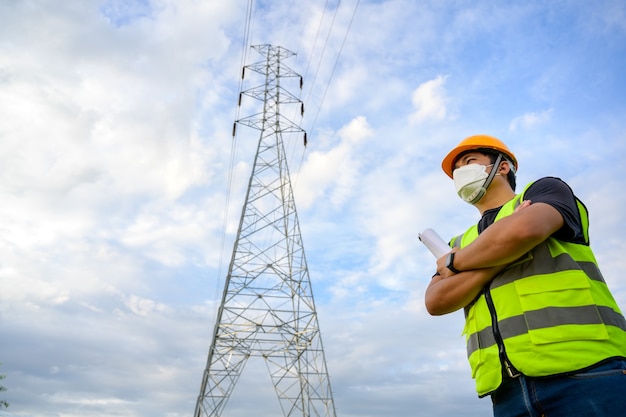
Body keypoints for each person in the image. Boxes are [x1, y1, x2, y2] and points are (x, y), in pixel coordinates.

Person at [424, 134, 626, 417]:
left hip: (588, 372)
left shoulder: (544, 190)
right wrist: (504, 253)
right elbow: (436, 300)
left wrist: (457, 263)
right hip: (507, 391)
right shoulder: (459, 241)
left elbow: (524, 231)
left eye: (469, 162)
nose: (460, 173)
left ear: (503, 166)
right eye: (455, 171)